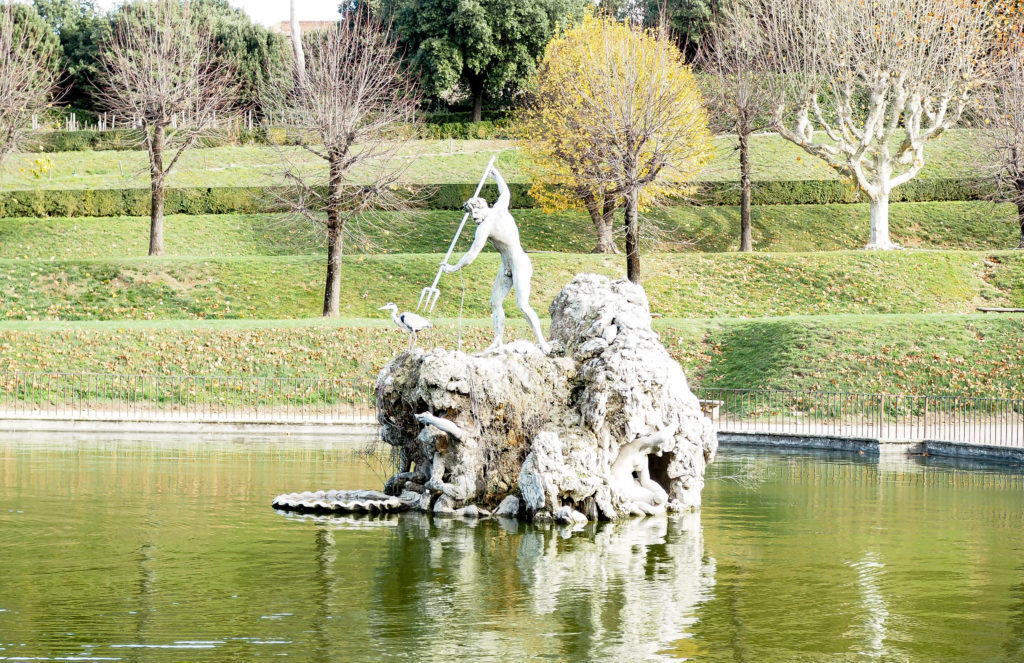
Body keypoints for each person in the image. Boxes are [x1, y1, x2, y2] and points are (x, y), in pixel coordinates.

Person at [443, 167, 550, 353]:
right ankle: (498, 340)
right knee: (495, 301)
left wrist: (452, 268)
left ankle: (543, 342)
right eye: (471, 216)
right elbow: (505, 192)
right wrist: (497, 175)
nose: (474, 218)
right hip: (506, 266)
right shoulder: (496, 210)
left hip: (519, 263)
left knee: (523, 305)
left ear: (483, 207)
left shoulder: (486, 226)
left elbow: (471, 255)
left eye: (475, 213)